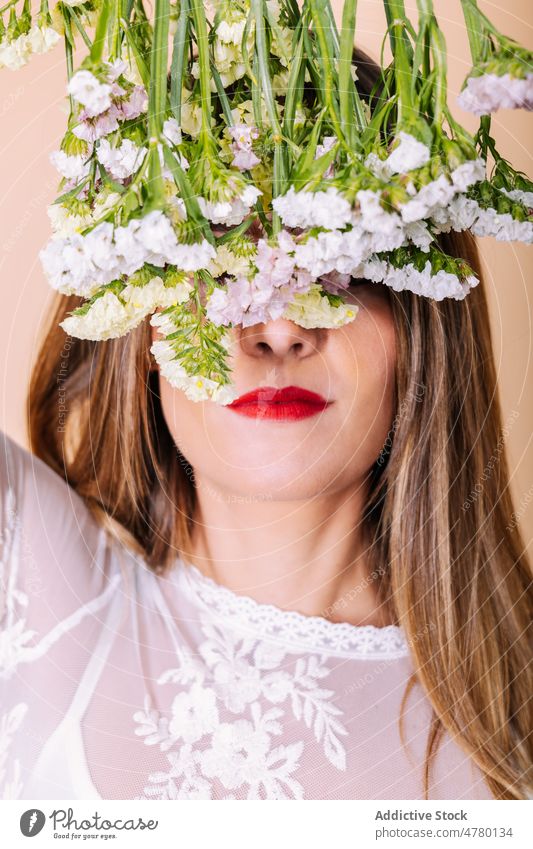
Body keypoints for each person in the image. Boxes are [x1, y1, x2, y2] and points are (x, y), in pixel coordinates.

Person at [0, 49, 531, 802]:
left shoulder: (516, 719)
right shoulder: (31, 583)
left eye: (341, 261)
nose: (278, 325)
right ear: (143, 329)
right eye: (219, 260)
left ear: (420, 332)